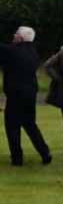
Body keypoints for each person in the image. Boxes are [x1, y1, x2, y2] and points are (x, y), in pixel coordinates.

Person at [0, 26, 52, 166]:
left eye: (16, 33)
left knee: (12, 126)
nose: (13, 35)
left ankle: (17, 159)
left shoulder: (12, 51)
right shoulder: (33, 52)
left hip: (15, 94)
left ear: (20, 37)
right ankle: (45, 152)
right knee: (30, 124)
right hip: (30, 94)